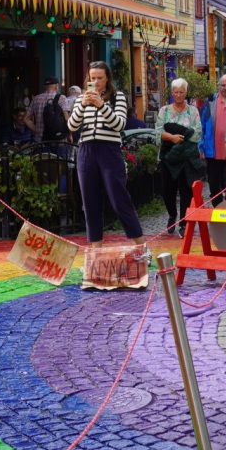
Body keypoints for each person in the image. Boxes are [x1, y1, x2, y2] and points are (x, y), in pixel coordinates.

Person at [65, 61, 145, 287]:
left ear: (107, 78)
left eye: (100, 78)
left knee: (119, 200)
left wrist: (101, 105)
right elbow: (72, 126)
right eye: (92, 78)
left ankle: (141, 248)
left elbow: (119, 125)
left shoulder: (117, 97)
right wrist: (83, 104)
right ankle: (95, 254)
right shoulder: (81, 99)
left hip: (109, 151)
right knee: (90, 203)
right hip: (86, 150)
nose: (96, 82)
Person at [155, 79, 206, 228]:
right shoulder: (164, 110)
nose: (178, 95)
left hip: (187, 157)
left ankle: (183, 222)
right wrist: (172, 137)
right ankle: (172, 215)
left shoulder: (193, 111)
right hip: (169, 156)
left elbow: (197, 133)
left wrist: (177, 134)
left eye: (181, 92)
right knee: (167, 191)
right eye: (176, 92)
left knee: (186, 191)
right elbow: (158, 132)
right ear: (172, 93)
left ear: (186, 93)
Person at [204, 74, 226, 199]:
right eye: (223, 85)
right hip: (214, 151)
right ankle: (218, 207)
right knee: (214, 185)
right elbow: (202, 125)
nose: (225, 88)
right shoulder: (210, 102)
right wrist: (201, 146)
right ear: (219, 86)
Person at [28, 78, 69, 149]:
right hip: (59, 141)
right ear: (56, 86)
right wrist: (70, 134)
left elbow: (26, 119)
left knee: (43, 156)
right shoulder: (62, 98)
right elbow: (66, 118)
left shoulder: (36, 99)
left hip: (41, 142)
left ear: (45, 87)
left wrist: (37, 130)